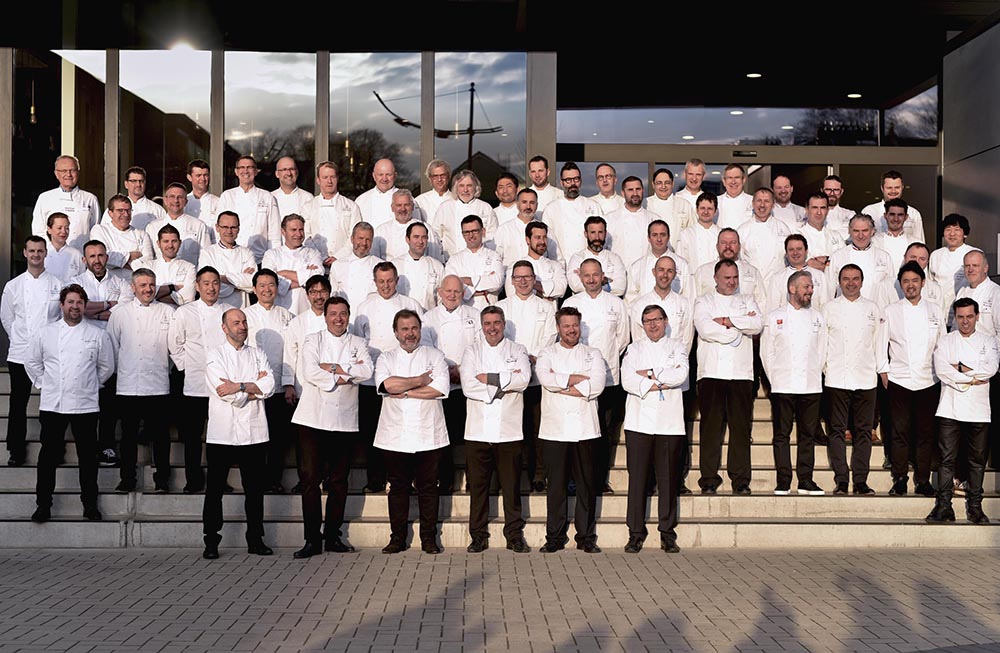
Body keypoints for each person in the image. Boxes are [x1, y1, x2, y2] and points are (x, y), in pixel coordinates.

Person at [291, 296, 374, 558]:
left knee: (339, 481)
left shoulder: (359, 343)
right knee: (310, 481)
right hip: (313, 419)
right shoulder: (312, 340)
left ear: (348, 316)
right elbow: (310, 372)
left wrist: (334, 368)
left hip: (344, 420)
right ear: (325, 316)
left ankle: (333, 536)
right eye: (333, 314)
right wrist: (346, 374)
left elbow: (368, 371)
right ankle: (311, 539)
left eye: (343, 314)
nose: (338, 318)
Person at [26, 283, 114, 523]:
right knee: (48, 457)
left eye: (79, 303)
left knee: (87, 458)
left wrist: (88, 384)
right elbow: (32, 363)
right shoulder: (46, 333)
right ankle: (43, 505)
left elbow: (106, 367)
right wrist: (46, 384)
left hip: (85, 404)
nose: (75, 306)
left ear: (85, 307)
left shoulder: (98, 335)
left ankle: (90, 505)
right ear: (62, 305)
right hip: (53, 404)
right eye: (71, 302)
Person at [201, 308, 276, 560]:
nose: (242, 326)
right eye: (236, 322)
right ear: (225, 328)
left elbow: (270, 387)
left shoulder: (258, 354)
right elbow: (225, 392)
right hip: (222, 433)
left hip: (254, 431)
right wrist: (253, 389)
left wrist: (241, 385)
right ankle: (211, 541)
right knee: (214, 491)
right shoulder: (215, 355)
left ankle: (255, 540)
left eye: (244, 322)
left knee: (254, 490)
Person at [375, 309, 450, 554]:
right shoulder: (385, 358)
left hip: (429, 432)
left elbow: (439, 389)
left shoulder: (436, 356)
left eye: (414, 328)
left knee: (428, 487)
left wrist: (405, 391)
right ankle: (397, 538)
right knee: (398, 487)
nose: (410, 334)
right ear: (396, 332)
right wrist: (419, 380)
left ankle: (428, 539)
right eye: (404, 329)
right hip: (394, 434)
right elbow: (386, 385)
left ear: (421, 329)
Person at [459, 306, 532, 553]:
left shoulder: (518, 349)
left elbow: (523, 380)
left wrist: (487, 378)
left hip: (509, 431)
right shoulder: (472, 351)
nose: (492, 328)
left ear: (504, 324)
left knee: (511, 487)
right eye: (488, 323)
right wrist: (502, 383)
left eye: (497, 323)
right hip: (477, 431)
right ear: (482, 326)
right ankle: (478, 535)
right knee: (478, 488)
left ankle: (514, 535)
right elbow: (468, 386)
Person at [536, 307, 607, 553]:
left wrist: (562, 382)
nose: (571, 330)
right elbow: (546, 379)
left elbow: (597, 385)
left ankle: (586, 537)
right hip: (554, 430)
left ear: (580, 326)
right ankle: (554, 537)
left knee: (586, 486)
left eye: (575, 325)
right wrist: (580, 379)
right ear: (558, 328)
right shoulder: (547, 353)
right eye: (566, 326)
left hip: (585, 429)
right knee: (555, 487)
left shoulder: (593, 353)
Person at [621, 304, 689, 553]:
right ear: (642, 325)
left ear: (665, 320)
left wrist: (648, 374)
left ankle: (667, 532)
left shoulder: (677, 346)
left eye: (657, 319)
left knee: (668, 480)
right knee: (637, 480)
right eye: (647, 321)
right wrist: (661, 380)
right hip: (638, 423)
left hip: (669, 423)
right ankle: (635, 532)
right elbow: (628, 380)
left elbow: (680, 375)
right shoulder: (634, 349)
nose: (653, 325)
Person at [353, 263, 424, 492]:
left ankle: (407, 479)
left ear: (397, 280)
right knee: (374, 432)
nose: (385, 285)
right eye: (381, 281)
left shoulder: (410, 305)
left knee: (405, 429)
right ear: (374, 282)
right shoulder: (364, 307)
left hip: (404, 378)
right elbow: (357, 342)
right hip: (371, 380)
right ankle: (375, 479)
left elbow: (419, 338)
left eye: (390, 280)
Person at [693, 259, 762, 495]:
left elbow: (757, 324)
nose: (731, 282)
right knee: (711, 429)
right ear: (715, 278)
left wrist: (728, 321)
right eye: (726, 278)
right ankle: (709, 479)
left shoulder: (747, 299)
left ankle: (740, 480)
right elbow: (704, 328)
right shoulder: (703, 301)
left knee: (741, 429)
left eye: (734, 278)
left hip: (742, 374)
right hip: (711, 373)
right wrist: (735, 334)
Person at [928, 297, 1000, 524]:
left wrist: (958, 369)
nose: (965, 321)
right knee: (946, 460)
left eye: (970, 316)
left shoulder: (989, 342)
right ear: (955, 318)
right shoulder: (946, 341)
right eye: (961, 317)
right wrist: (970, 377)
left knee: (976, 462)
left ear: (977, 316)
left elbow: (990, 369)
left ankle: (975, 508)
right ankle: (944, 507)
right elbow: (942, 370)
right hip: (950, 409)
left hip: (979, 410)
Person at [877, 261, 943, 498]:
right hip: (900, 380)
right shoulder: (891, 311)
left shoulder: (935, 310)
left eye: (915, 280)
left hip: (929, 380)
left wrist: (941, 374)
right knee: (900, 432)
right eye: (906, 281)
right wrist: (884, 372)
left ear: (923, 283)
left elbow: (941, 345)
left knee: (926, 433)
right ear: (901, 285)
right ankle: (900, 478)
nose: (911, 285)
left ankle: (923, 480)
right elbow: (881, 344)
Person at [563, 259, 629, 493]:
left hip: (609, 378)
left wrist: (606, 361)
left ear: (603, 276)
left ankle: (599, 479)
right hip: (578, 378)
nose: (591, 279)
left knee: (603, 432)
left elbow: (622, 339)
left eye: (595, 275)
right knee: (576, 430)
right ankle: (573, 479)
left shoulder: (616, 304)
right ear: (580, 277)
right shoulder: (571, 303)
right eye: (586, 275)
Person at [106, 268, 175, 493]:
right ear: (133, 288)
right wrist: (125, 369)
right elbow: (112, 348)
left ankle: (162, 479)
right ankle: (127, 479)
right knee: (127, 438)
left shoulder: (168, 311)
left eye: (151, 285)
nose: (148, 289)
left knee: (161, 438)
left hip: (158, 384)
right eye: (143, 285)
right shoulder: (120, 313)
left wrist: (164, 368)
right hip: (129, 384)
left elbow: (174, 348)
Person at [761, 271, 827, 495]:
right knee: (782, 435)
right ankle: (783, 480)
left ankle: (806, 480)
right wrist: (775, 378)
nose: (810, 290)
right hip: (782, 385)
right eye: (805, 286)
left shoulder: (818, 317)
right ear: (792, 289)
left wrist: (814, 373)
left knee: (807, 435)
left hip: (811, 385)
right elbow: (767, 353)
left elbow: (822, 350)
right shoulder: (774, 317)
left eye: (811, 287)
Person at [1, 236, 63, 466]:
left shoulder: (58, 284)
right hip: (20, 353)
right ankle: (15, 450)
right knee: (18, 403)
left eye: (40, 250)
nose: (36, 254)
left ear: (46, 253)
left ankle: (54, 448)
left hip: (49, 353)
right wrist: (21, 338)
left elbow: (60, 319)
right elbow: (7, 318)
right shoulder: (13, 286)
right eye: (32, 251)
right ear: (24, 253)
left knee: (52, 403)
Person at [497, 261, 558, 493]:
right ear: (511, 281)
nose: (522, 281)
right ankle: (511, 478)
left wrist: (535, 359)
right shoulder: (502, 307)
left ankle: (538, 475)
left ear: (534, 280)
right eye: (518, 277)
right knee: (512, 429)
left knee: (537, 429)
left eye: (527, 277)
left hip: (537, 378)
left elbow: (551, 339)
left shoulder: (547, 308)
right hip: (510, 378)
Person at [70, 240, 133, 466]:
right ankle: (87, 449)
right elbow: (77, 309)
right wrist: (108, 304)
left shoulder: (122, 282)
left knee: (109, 405)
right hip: (83, 350)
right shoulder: (76, 282)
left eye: (101, 255)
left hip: (112, 350)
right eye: (92, 256)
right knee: (86, 404)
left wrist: (92, 311)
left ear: (107, 257)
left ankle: (106, 447)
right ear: (85, 260)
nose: (97, 260)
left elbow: (122, 313)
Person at [169, 266, 229, 493]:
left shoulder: (228, 310)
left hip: (222, 384)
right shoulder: (185, 312)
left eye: (215, 283)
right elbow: (174, 344)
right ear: (197, 286)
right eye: (206, 283)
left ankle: (219, 480)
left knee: (220, 437)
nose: (211, 287)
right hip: (194, 383)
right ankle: (193, 480)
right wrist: (188, 367)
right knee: (193, 438)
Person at [420, 275, 482, 494]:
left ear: (463, 293)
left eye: (457, 292)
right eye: (448, 291)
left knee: (471, 436)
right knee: (441, 435)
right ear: (440, 292)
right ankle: (444, 480)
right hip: (441, 383)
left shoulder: (475, 316)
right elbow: (427, 349)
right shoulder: (428, 318)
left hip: (468, 384)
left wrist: (461, 370)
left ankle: (473, 480)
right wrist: (448, 370)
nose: (452, 295)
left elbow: (479, 347)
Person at [823, 264, 880, 495]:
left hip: (866, 377)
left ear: (862, 281)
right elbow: (822, 344)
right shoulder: (829, 308)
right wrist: (826, 368)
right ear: (839, 281)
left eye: (855, 278)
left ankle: (860, 480)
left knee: (863, 431)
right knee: (836, 430)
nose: (850, 283)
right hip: (837, 377)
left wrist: (877, 369)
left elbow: (877, 341)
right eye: (846, 279)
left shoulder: (872, 308)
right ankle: (841, 479)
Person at [244, 269, 295, 493]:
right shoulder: (245, 315)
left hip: (278, 387)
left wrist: (288, 383)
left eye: (271, 285)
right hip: (253, 387)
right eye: (262, 285)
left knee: (277, 438)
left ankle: (274, 480)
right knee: (254, 437)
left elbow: (292, 352)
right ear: (254, 290)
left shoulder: (287, 316)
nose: (267, 289)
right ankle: (254, 481)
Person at [955, 249, 1000, 467]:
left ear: (985, 267)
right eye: (967, 266)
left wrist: (996, 365)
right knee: (965, 422)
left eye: (975, 265)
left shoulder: (995, 293)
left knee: (986, 422)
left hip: (989, 367)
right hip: (963, 368)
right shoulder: (962, 290)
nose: (971, 269)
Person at [216, 155, 281, 263]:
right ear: (236, 172)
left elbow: (275, 233)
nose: (245, 171)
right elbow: (218, 230)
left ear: (256, 171)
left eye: (250, 167)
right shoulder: (227, 196)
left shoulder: (267, 197)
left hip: (260, 259)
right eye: (242, 167)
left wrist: (273, 262)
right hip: (230, 259)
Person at [31, 154, 101, 251]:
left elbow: (95, 231)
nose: (68, 174)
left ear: (78, 172)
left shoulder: (90, 199)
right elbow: (38, 231)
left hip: (82, 257)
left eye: (72, 170)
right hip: (52, 256)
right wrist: (51, 251)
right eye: (64, 171)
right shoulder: (45, 198)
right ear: (56, 174)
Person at [262, 214, 325, 315]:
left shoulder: (313, 253)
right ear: (283, 232)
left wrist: (284, 273)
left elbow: (318, 277)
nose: (298, 234)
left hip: (306, 309)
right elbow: (268, 281)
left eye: (301, 230)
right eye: (293, 230)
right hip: (280, 308)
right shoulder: (271, 254)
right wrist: (305, 279)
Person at [303, 160, 362, 267]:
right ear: (318, 180)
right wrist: (319, 257)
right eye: (325, 177)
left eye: (332, 177)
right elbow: (306, 235)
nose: (329, 181)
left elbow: (355, 236)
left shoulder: (351, 206)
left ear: (337, 178)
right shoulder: (308, 207)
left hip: (344, 263)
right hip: (315, 263)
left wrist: (337, 257)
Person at [429, 170, 499, 258]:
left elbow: (493, 237)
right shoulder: (445, 207)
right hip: (451, 260)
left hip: (479, 259)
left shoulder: (485, 208)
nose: (465, 190)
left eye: (469, 186)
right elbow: (436, 236)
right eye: (461, 186)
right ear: (456, 188)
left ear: (476, 188)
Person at [693, 228, 766, 308]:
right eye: (723, 243)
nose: (728, 246)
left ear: (739, 246)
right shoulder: (703, 271)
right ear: (717, 246)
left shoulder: (753, 272)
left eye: (733, 242)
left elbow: (762, 303)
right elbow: (694, 301)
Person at [544, 162, 603, 262]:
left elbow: (601, 237)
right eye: (568, 180)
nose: (572, 183)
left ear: (580, 181)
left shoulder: (593, 206)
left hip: (589, 263)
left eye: (576, 179)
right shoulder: (551, 208)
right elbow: (547, 241)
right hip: (560, 265)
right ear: (562, 183)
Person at [197, 211, 257, 308]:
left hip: (241, 307)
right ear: (217, 228)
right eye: (225, 227)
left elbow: (252, 284)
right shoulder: (207, 253)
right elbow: (208, 284)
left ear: (238, 229)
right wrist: (240, 284)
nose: (229, 231)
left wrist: (221, 278)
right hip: (215, 307)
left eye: (233, 227)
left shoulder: (247, 253)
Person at [826, 214, 892, 302]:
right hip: (844, 310)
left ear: (872, 231)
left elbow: (891, 290)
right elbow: (828, 291)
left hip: (876, 311)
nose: (860, 236)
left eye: (865, 231)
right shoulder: (837, 256)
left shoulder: (884, 257)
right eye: (856, 231)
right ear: (849, 231)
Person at [625, 220, 694, 303]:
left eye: (663, 235)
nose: (659, 239)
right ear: (648, 238)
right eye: (654, 235)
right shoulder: (637, 266)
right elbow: (630, 300)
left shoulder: (682, 264)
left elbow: (689, 297)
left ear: (668, 237)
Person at [444, 215, 504, 309]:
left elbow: (497, 282)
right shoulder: (454, 259)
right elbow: (451, 286)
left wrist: (468, 280)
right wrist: (484, 285)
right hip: (463, 309)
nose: (471, 235)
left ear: (483, 232)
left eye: (475, 231)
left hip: (488, 308)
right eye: (467, 232)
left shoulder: (494, 255)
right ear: (463, 234)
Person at [146, 182, 211, 265]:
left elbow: (206, 257)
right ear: (165, 200)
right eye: (172, 197)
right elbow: (149, 257)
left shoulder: (198, 225)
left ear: (186, 202)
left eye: (180, 197)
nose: (176, 201)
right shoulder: (152, 226)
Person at [373, 189, 443, 262]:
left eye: (406, 205)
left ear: (412, 207)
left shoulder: (425, 228)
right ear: (392, 208)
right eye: (399, 205)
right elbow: (375, 260)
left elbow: (435, 259)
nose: (403, 209)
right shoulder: (381, 231)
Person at [502, 221, 567, 300]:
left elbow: (561, 289)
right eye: (538, 237)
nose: (542, 242)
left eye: (544, 237)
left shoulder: (555, 265)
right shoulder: (515, 266)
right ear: (528, 240)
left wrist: (532, 285)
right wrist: (545, 293)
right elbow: (511, 293)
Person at [763, 234, 827, 314]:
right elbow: (772, 309)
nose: (795, 253)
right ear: (786, 253)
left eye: (799, 249)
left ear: (806, 251)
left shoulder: (819, 276)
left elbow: (825, 306)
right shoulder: (777, 277)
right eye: (791, 250)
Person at [605, 176, 659, 270]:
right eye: (630, 190)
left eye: (638, 189)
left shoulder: (654, 219)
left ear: (643, 191)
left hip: (646, 274)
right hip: (618, 274)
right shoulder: (609, 219)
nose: (635, 193)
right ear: (623, 193)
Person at [736, 187, 790, 279]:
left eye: (766, 201)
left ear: (773, 204)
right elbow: (738, 261)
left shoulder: (783, 228)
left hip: (778, 282)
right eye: (759, 201)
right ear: (753, 204)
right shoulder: (742, 230)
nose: (762, 205)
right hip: (752, 282)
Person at [90, 194, 154, 270]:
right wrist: (130, 256)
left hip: (134, 280)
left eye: (128, 210)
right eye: (120, 211)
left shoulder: (141, 234)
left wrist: (120, 263)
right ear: (110, 213)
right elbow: (101, 256)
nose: (126, 214)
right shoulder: (100, 230)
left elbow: (149, 260)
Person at [567, 216, 627, 297]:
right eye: (593, 232)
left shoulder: (615, 258)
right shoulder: (577, 258)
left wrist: (588, 282)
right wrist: (606, 281)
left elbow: (620, 288)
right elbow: (575, 286)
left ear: (605, 233)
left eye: (600, 232)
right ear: (586, 234)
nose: (597, 237)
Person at [329, 222, 384, 308]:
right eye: (360, 238)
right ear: (352, 239)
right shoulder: (338, 265)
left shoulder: (380, 265)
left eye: (368, 239)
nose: (364, 243)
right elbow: (333, 296)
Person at [861, 170, 925, 242]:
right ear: (882, 188)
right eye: (889, 188)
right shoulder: (869, 211)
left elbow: (919, 242)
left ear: (902, 187)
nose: (893, 191)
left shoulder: (914, 213)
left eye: (897, 187)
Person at [393, 222, 445, 311]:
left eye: (424, 237)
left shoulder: (437, 266)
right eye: (416, 237)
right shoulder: (396, 265)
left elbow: (442, 298)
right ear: (407, 239)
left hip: (429, 318)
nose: (420, 241)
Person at [929, 213, 976, 311]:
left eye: (957, 229)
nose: (952, 234)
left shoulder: (974, 254)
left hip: (964, 309)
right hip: (938, 308)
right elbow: (930, 282)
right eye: (948, 229)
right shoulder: (935, 255)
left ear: (965, 234)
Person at [99, 166, 167, 232]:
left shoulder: (157, 210)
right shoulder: (114, 209)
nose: (138, 184)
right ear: (126, 184)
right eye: (134, 181)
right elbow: (104, 231)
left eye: (141, 181)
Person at [494, 188, 550, 267]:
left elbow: (555, 258)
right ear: (517, 204)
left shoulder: (545, 230)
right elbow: (496, 258)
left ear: (537, 205)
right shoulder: (504, 229)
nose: (528, 207)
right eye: (524, 202)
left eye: (532, 203)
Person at [797, 192, 844, 272]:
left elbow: (844, 264)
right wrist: (831, 262)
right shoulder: (798, 235)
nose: (819, 212)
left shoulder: (836, 236)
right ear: (807, 209)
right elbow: (808, 264)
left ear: (827, 210)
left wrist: (823, 261)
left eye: (822, 208)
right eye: (815, 207)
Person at [645, 167, 695, 239]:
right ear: (653, 185)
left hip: (679, 249)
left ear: (672, 184)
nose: (663, 186)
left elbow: (693, 232)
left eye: (667, 183)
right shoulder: (645, 204)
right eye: (659, 183)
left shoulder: (684, 205)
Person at [676, 192, 721, 271]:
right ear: (697, 210)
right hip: (693, 279)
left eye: (710, 209)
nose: (706, 212)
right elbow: (680, 262)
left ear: (715, 211)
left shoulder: (721, 234)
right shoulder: (686, 234)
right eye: (702, 208)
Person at [355, 158, 404, 229]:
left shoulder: (406, 199)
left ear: (395, 175)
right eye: (380, 175)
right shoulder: (361, 200)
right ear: (374, 176)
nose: (385, 179)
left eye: (388, 174)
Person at [872, 198, 917, 272]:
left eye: (900, 215)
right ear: (885, 216)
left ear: (906, 217)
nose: (896, 219)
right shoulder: (874, 242)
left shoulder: (915, 242)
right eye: (892, 214)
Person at [43, 213, 85, 283]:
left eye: (66, 228)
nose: (64, 232)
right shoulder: (42, 253)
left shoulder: (77, 255)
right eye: (59, 228)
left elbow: (82, 280)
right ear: (49, 229)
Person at [185, 159, 219, 239]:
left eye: (205, 175)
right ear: (189, 177)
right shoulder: (183, 202)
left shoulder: (218, 202)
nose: (203, 179)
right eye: (198, 175)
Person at [717, 164, 753, 229]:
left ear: (743, 180)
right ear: (724, 181)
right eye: (730, 178)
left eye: (737, 177)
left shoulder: (753, 202)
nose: (733, 182)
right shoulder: (716, 202)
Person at [821, 175, 853, 245]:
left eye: (836, 190)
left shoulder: (850, 214)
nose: (832, 193)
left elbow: (850, 236)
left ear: (841, 191)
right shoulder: (813, 213)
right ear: (822, 190)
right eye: (828, 190)